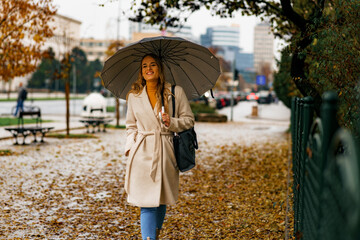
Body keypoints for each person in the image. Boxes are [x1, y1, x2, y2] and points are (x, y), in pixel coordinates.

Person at [125, 54, 195, 240]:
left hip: (166, 150)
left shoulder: (175, 92)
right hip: (141, 152)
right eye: (145, 66)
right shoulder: (134, 96)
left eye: (153, 65)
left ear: (160, 68)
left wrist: (171, 122)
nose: (149, 68)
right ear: (141, 71)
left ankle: (153, 235)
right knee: (146, 202)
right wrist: (131, 148)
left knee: (161, 198)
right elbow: (130, 126)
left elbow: (189, 120)